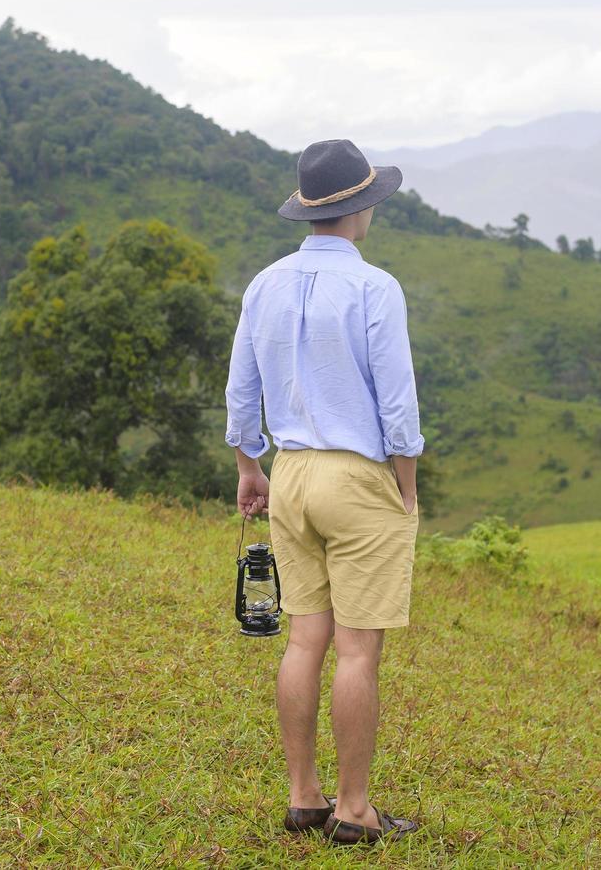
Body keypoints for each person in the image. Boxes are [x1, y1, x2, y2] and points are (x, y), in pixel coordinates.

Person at [224, 138, 423, 845]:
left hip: (291, 473)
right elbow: (396, 403)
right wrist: (406, 487)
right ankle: (354, 808)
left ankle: (303, 796)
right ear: (361, 207)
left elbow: (240, 392)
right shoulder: (374, 287)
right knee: (358, 651)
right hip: (356, 475)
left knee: (304, 639)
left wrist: (251, 468)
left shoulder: (263, 283)